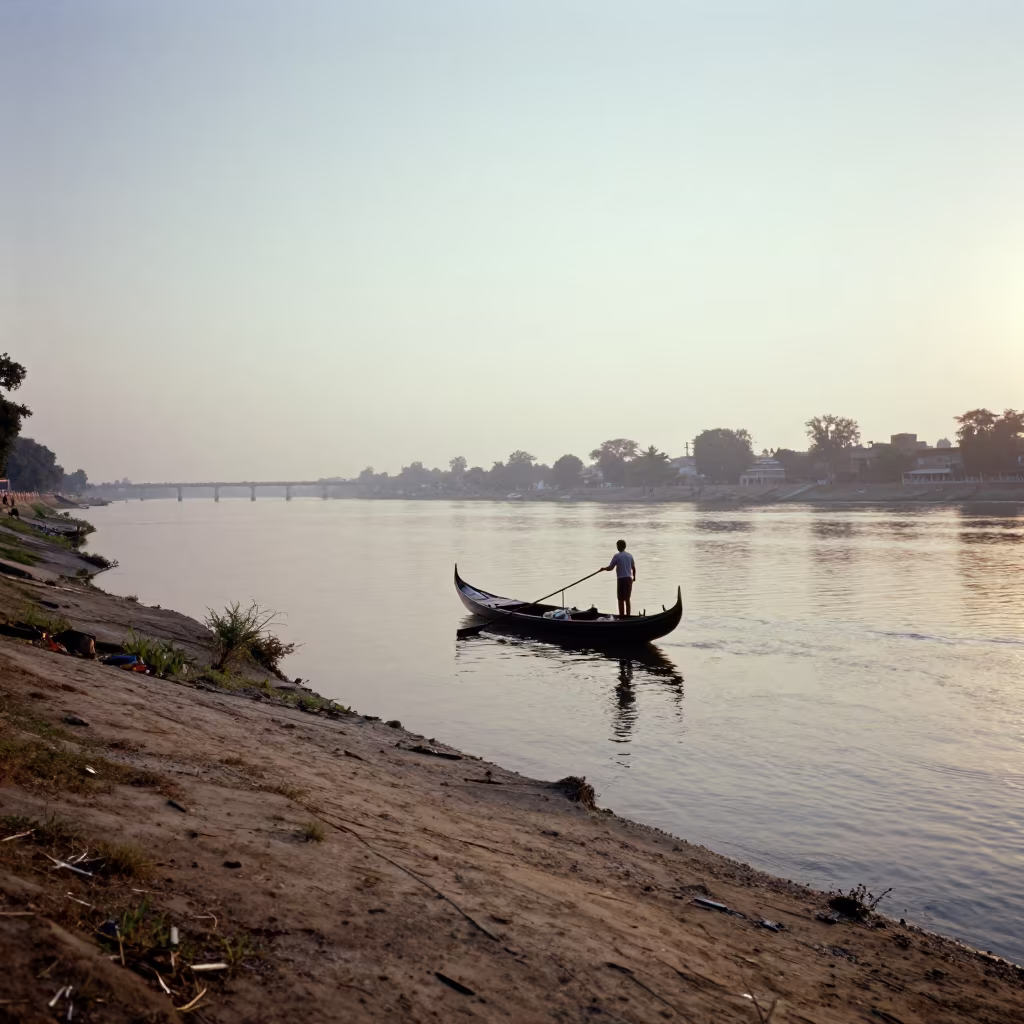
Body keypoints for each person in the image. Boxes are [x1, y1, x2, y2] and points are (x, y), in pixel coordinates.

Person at [601, 539, 636, 617]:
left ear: (619, 547)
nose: (617, 547)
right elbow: (633, 568)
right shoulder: (630, 555)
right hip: (628, 579)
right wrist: (634, 578)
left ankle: (622, 616)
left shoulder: (617, 556)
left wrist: (603, 569)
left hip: (621, 579)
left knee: (620, 599)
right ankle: (628, 616)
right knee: (627, 599)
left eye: (617, 546)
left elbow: (610, 568)